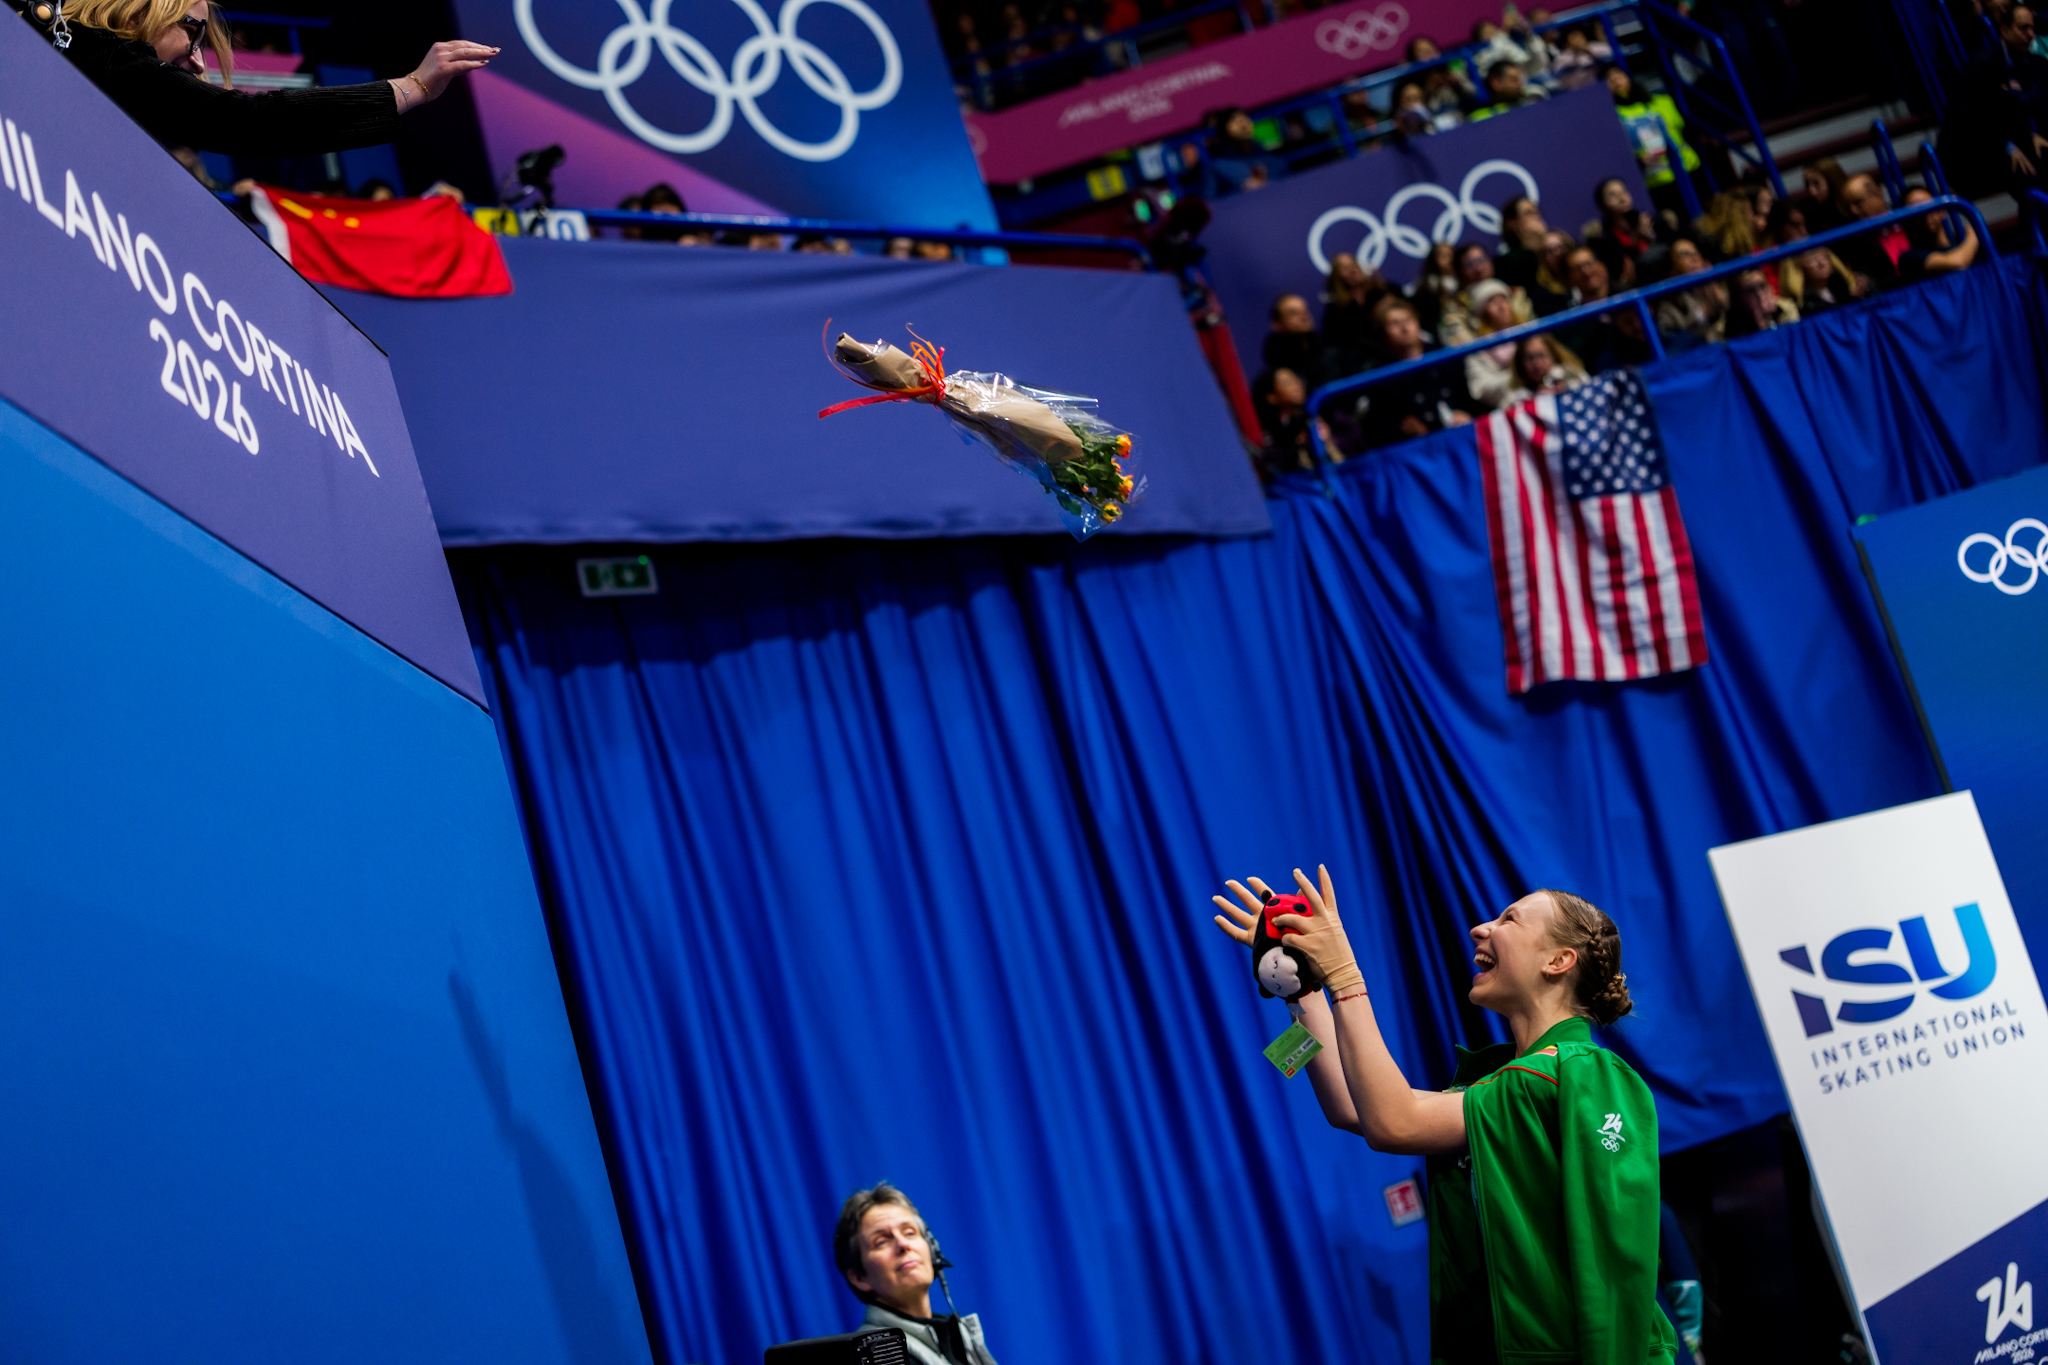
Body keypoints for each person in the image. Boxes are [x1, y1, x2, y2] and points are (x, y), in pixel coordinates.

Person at [1211, 870, 1673, 1365]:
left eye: (1509, 919)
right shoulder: (1502, 1084)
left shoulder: (1583, 1071)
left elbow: (1393, 1123)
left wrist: (1345, 978)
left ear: (1558, 961)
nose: (1480, 928)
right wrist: (1299, 991)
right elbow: (1350, 1109)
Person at [56, 0, 495, 157]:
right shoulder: (92, 52)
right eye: (194, 34)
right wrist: (412, 87)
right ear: (141, 9)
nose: (199, 62)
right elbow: (248, 120)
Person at [834, 1183, 998, 1365]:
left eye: (910, 1233)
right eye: (881, 1242)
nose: (903, 1245)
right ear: (859, 1277)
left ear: (933, 1251)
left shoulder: (958, 1338)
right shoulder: (875, 1355)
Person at [1938, 4, 2048, 198]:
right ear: (2004, 30)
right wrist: (2007, 146)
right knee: (2027, 176)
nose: (2031, 35)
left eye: (2032, 28)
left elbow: (2021, 109)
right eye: (2023, 29)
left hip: (2006, 139)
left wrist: (2031, 134)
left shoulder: (2027, 63)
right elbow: (1967, 119)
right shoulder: (1981, 65)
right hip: (1973, 148)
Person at [1356, 297, 1488, 447]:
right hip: (1418, 449)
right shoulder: (1382, 377)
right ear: (1383, 333)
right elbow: (1380, 426)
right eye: (1395, 323)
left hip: (1462, 436)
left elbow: (1471, 396)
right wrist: (1402, 429)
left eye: (1408, 320)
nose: (1405, 328)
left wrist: (1465, 413)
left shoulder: (1445, 358)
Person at [1605, 65, 1702, 225]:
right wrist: (1640, 162)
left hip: (1688, 168)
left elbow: (1686, 131)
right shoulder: (1611, 117)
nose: (1616, 81)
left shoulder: (1663, 101)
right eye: (1610, 79)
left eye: (1619, 75)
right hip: (1656, 182)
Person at [1440, 242, 1533, 345]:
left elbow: (1533, 326)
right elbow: (1460, 345)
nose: (1478, 268)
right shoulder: (1455, 308)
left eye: (1481, 260)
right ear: (1459, 272)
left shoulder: (1515, 293)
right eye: (1469, 264)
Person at [1321, 253, 1394, 377]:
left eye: (1353, 264)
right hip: (1362, 362)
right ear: (1336, 276)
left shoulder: (1381, 291)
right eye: (1344, 267)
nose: (1351, 269)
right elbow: (1337, 341)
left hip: (1392, 347)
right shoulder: (1336, 309)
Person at [1651, 238, 1729, 348]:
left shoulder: (1717, 285)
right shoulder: (1668, 306)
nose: (1694, 257)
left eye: (1696, 252)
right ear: (1672, 267)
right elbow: (1673, 343)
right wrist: (1701, 316)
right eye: (1684, 254)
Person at [1460, 279, 1525, 409]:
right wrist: (1518, 376)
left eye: (1503, 299)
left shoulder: (1530, 330)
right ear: (1482, 312)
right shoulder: (1477, 348)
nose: (1501, 306)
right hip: (1508, 404)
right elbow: (1480, 388)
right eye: (1492, 302)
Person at [1583, 176, 1667, 276]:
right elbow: (1616, 267)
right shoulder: (1602, 237)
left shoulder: (1652, 220)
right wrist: (1636, 238)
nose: (1621, 198)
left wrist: (1652, 236)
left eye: (1624, 191)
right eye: (1612, 195)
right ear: (1602, 204)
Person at [1203, 106, 1285, 195]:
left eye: (1245, 118)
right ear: (1223, 130)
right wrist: (1242, 192)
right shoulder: (1216, 167)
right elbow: (1210, 200)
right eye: (1234, 121)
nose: (1243, 124)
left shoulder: (1273, 159)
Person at [1263, 292, 1331, 391]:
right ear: (1276, 323)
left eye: (1305, 311)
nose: (1304, 317)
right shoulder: (1278, 372)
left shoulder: (1330, 349)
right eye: (1293, 313)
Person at [1501, 332, 1590, 403]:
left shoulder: (1571, 375)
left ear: (1553, 355)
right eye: (1530, 358)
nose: (1537, 364)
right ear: (1520, 363)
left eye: (1542, 356)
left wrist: (1566, 392)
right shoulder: (1515, 397)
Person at [1718, 268, 1799, 339]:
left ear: (1770, 287)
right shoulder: (1729, 326)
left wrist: (1771, 318)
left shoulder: (1787, 308)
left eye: (1762, 286)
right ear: (1739, 300)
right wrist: (1761, 324)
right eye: (1751, 291)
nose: (1760, 296)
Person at [1469, 61, 1548, 120]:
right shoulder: (1479, 117)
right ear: (1495, 82)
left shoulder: (1533, 104)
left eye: (1519, 79)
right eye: (1513, 80)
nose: (1519, 84)